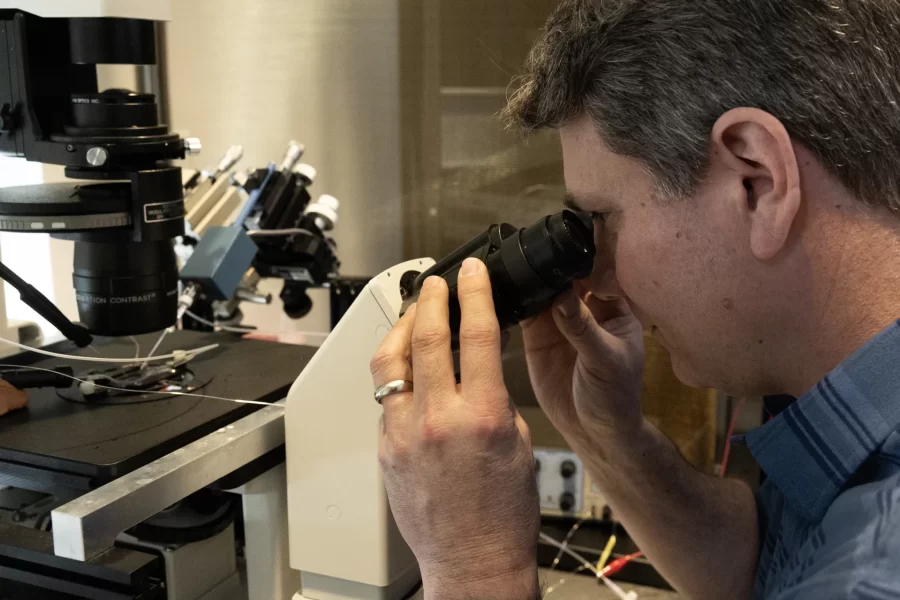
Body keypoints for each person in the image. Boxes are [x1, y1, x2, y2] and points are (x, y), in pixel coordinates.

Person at [370, 0, 900, 598]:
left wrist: (479, 568)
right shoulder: (860, 436)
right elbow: (765, 568)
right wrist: (604, 435)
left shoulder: (876, 574)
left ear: (759, 183)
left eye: (604, 218)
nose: (597, 279)